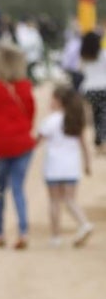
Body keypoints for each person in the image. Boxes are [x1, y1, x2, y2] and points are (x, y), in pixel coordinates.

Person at [0, 42, 36, 249]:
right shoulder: (26, 86)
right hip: (24, 144)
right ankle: (23, 232)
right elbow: (30, 114)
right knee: (19, 189)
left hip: (0, 145)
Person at [37, 85, 93, 247]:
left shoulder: (50, 121)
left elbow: (38, 140)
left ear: (59, 101)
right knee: (70, 200)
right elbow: (84, 145)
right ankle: (83, 223)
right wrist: (87, 164)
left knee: (54, 201)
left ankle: (55, 236)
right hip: (71, 167)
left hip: (53, 167)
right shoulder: (75, 120)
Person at [80, 29, 106, 154]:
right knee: (103, 116)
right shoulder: (103, 54)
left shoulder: (84, 57)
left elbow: (81, 72)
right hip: (103, 88)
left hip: (89, 89)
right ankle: (102, 142)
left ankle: (98, 141)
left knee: (96, 116)